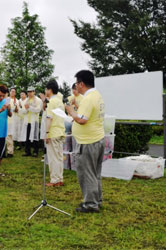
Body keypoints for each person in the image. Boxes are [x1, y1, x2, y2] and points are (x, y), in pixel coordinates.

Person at [65, 70, 105, 213]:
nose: (76, 86)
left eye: (76, 83)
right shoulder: (97, 95)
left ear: (81, 84)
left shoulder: (88, 99)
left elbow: (82, 119)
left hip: (88, 142)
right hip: (97, 138)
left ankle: (90, 204)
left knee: (86, 173)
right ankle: (97, 200)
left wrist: (70, 111)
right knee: (95, 173)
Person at [44, 80, 66, 187]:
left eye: (46, 89)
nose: (45, 91)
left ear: (49, 90)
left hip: (53, 132)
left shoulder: (52, 102)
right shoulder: (60, 101)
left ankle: (54, 180)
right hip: (61, 131)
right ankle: (60, 178)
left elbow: (49, 118)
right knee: (59, 156)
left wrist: (47, 133)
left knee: (53, 157)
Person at [20, 87, 42, 157]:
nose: (29, 93)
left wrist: (29, 107)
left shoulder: (38, 100)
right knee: (27, 137)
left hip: (34, 121)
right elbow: (23, 111)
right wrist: (26, 108)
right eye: (28, 92)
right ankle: (27, 151)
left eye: (31, 92)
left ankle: (35, 152)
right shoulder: (26, 100)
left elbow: (38, 110)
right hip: (27, 121)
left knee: (35, 136)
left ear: (34, 92)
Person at [6, 88, 19, 157]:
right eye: (12, 91)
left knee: (10, 135)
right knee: (5, 136)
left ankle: (10, 151)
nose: (13, 93)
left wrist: (16, 107)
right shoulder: (7, 99)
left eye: (14, 92)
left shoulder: (16, 100)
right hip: (5, 119)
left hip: (12, 120)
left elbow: (17, 111)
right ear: (9, 92)